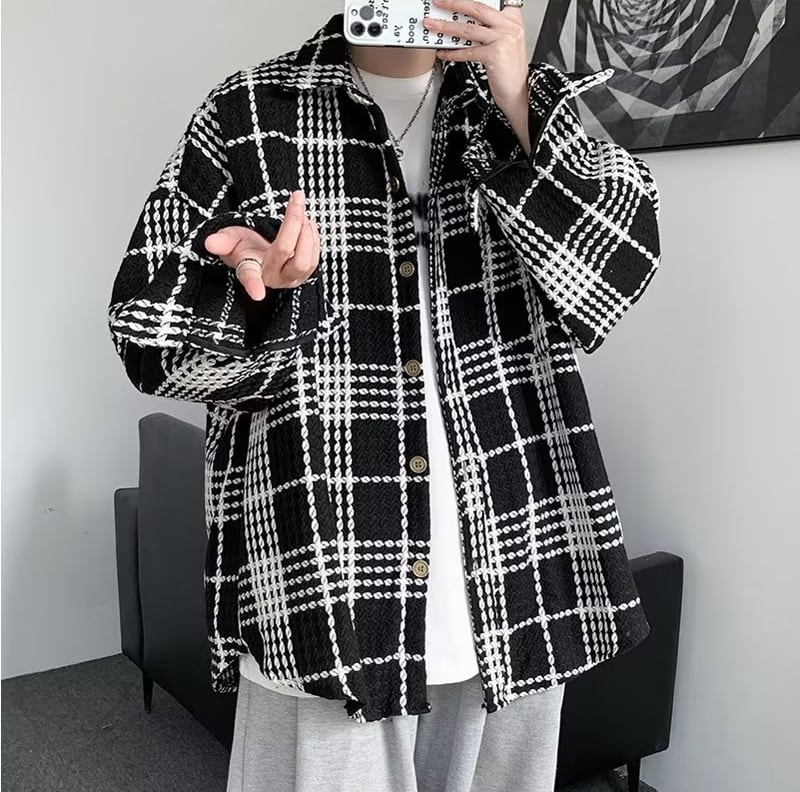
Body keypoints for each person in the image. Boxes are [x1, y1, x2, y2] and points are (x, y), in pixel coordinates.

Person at [107, 1, 662, 790]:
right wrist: (266, 301)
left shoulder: (525, 103)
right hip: (321, 565)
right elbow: (146, 340)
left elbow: (617, 274)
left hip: (517, 568)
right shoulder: (250, 110)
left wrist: (520, 103)